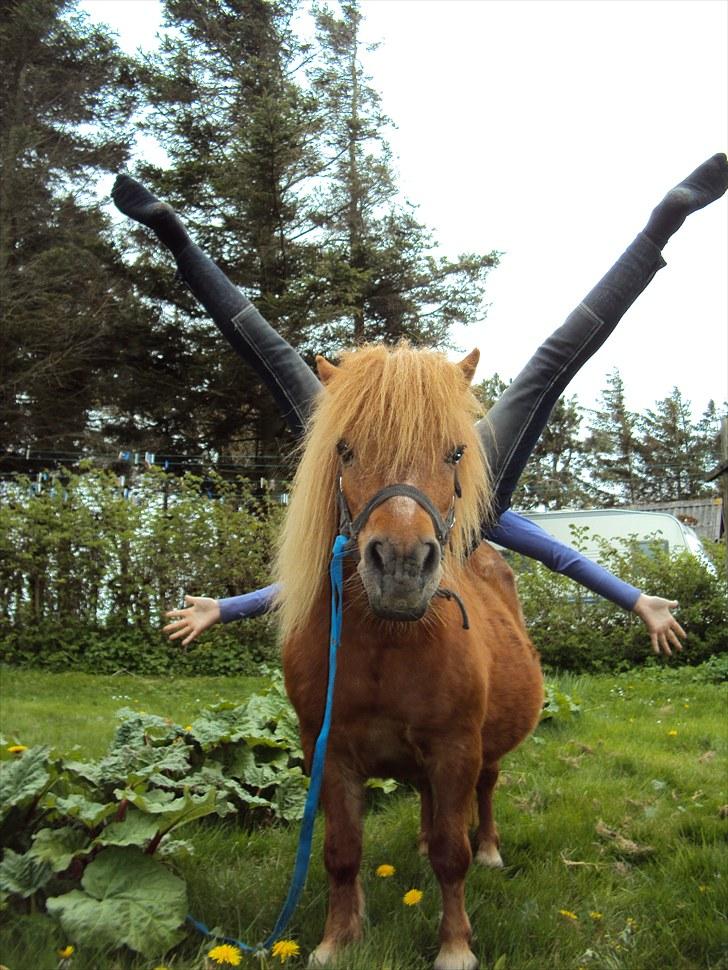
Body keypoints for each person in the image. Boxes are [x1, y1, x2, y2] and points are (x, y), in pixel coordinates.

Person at [112, 154, 728, 658]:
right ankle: (659, 227)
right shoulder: (463, 520)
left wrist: (227, 607)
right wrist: (635, 599)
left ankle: (175, 236)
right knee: (548, 366)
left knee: (276, 357)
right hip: (397, 453)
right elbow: (560, 556)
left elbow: (558, 554)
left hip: (441, 463)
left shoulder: (476, 513)